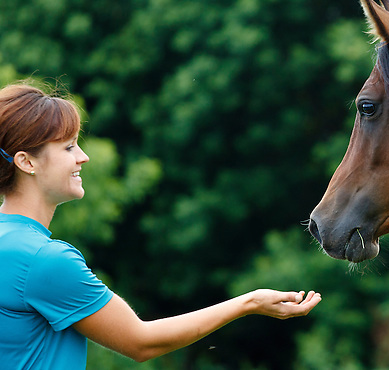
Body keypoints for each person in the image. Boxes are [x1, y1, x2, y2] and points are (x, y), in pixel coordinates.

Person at [0, 81, 321, 369]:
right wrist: (249, 303)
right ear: (27, 162)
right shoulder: (44, 261)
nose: (82, 157)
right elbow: (141, 342)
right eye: (68, 147)